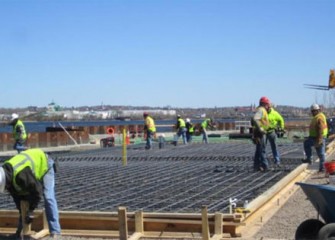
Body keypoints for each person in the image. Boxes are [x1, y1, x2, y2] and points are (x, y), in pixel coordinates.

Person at [0, 148, 61, 238]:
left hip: (45, 164)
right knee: (23, 203)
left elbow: (37, 191)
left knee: (48, 197)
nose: (5, 189)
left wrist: (30, 211)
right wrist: (24, 213)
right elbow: (19, 200)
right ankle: (20, 231)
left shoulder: (21, 175)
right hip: (31, 171)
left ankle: (55, 231)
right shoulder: (7, 175)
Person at [303, 104, 328, 172]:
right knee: (307, 143)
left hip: (319, 138)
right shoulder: (316, 117)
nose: (312, 113)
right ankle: (310, 159)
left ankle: (322, 168)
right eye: (312, 111)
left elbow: (320, 129)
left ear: (317, 110)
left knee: (321, 153)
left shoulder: (319, 117)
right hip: (314, 137)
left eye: (314, 111)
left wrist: (319, 140)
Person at [252, 96, 271, 172]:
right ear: (264, 104)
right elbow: (255, 119)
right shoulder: (261, 110)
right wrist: (260, 128)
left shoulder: (262, 110)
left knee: (258, 150)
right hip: (260, 133)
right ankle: (265, 165)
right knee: (262, 150)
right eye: (267, 104)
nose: (268, 106)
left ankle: (256, 166)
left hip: (259, 133)